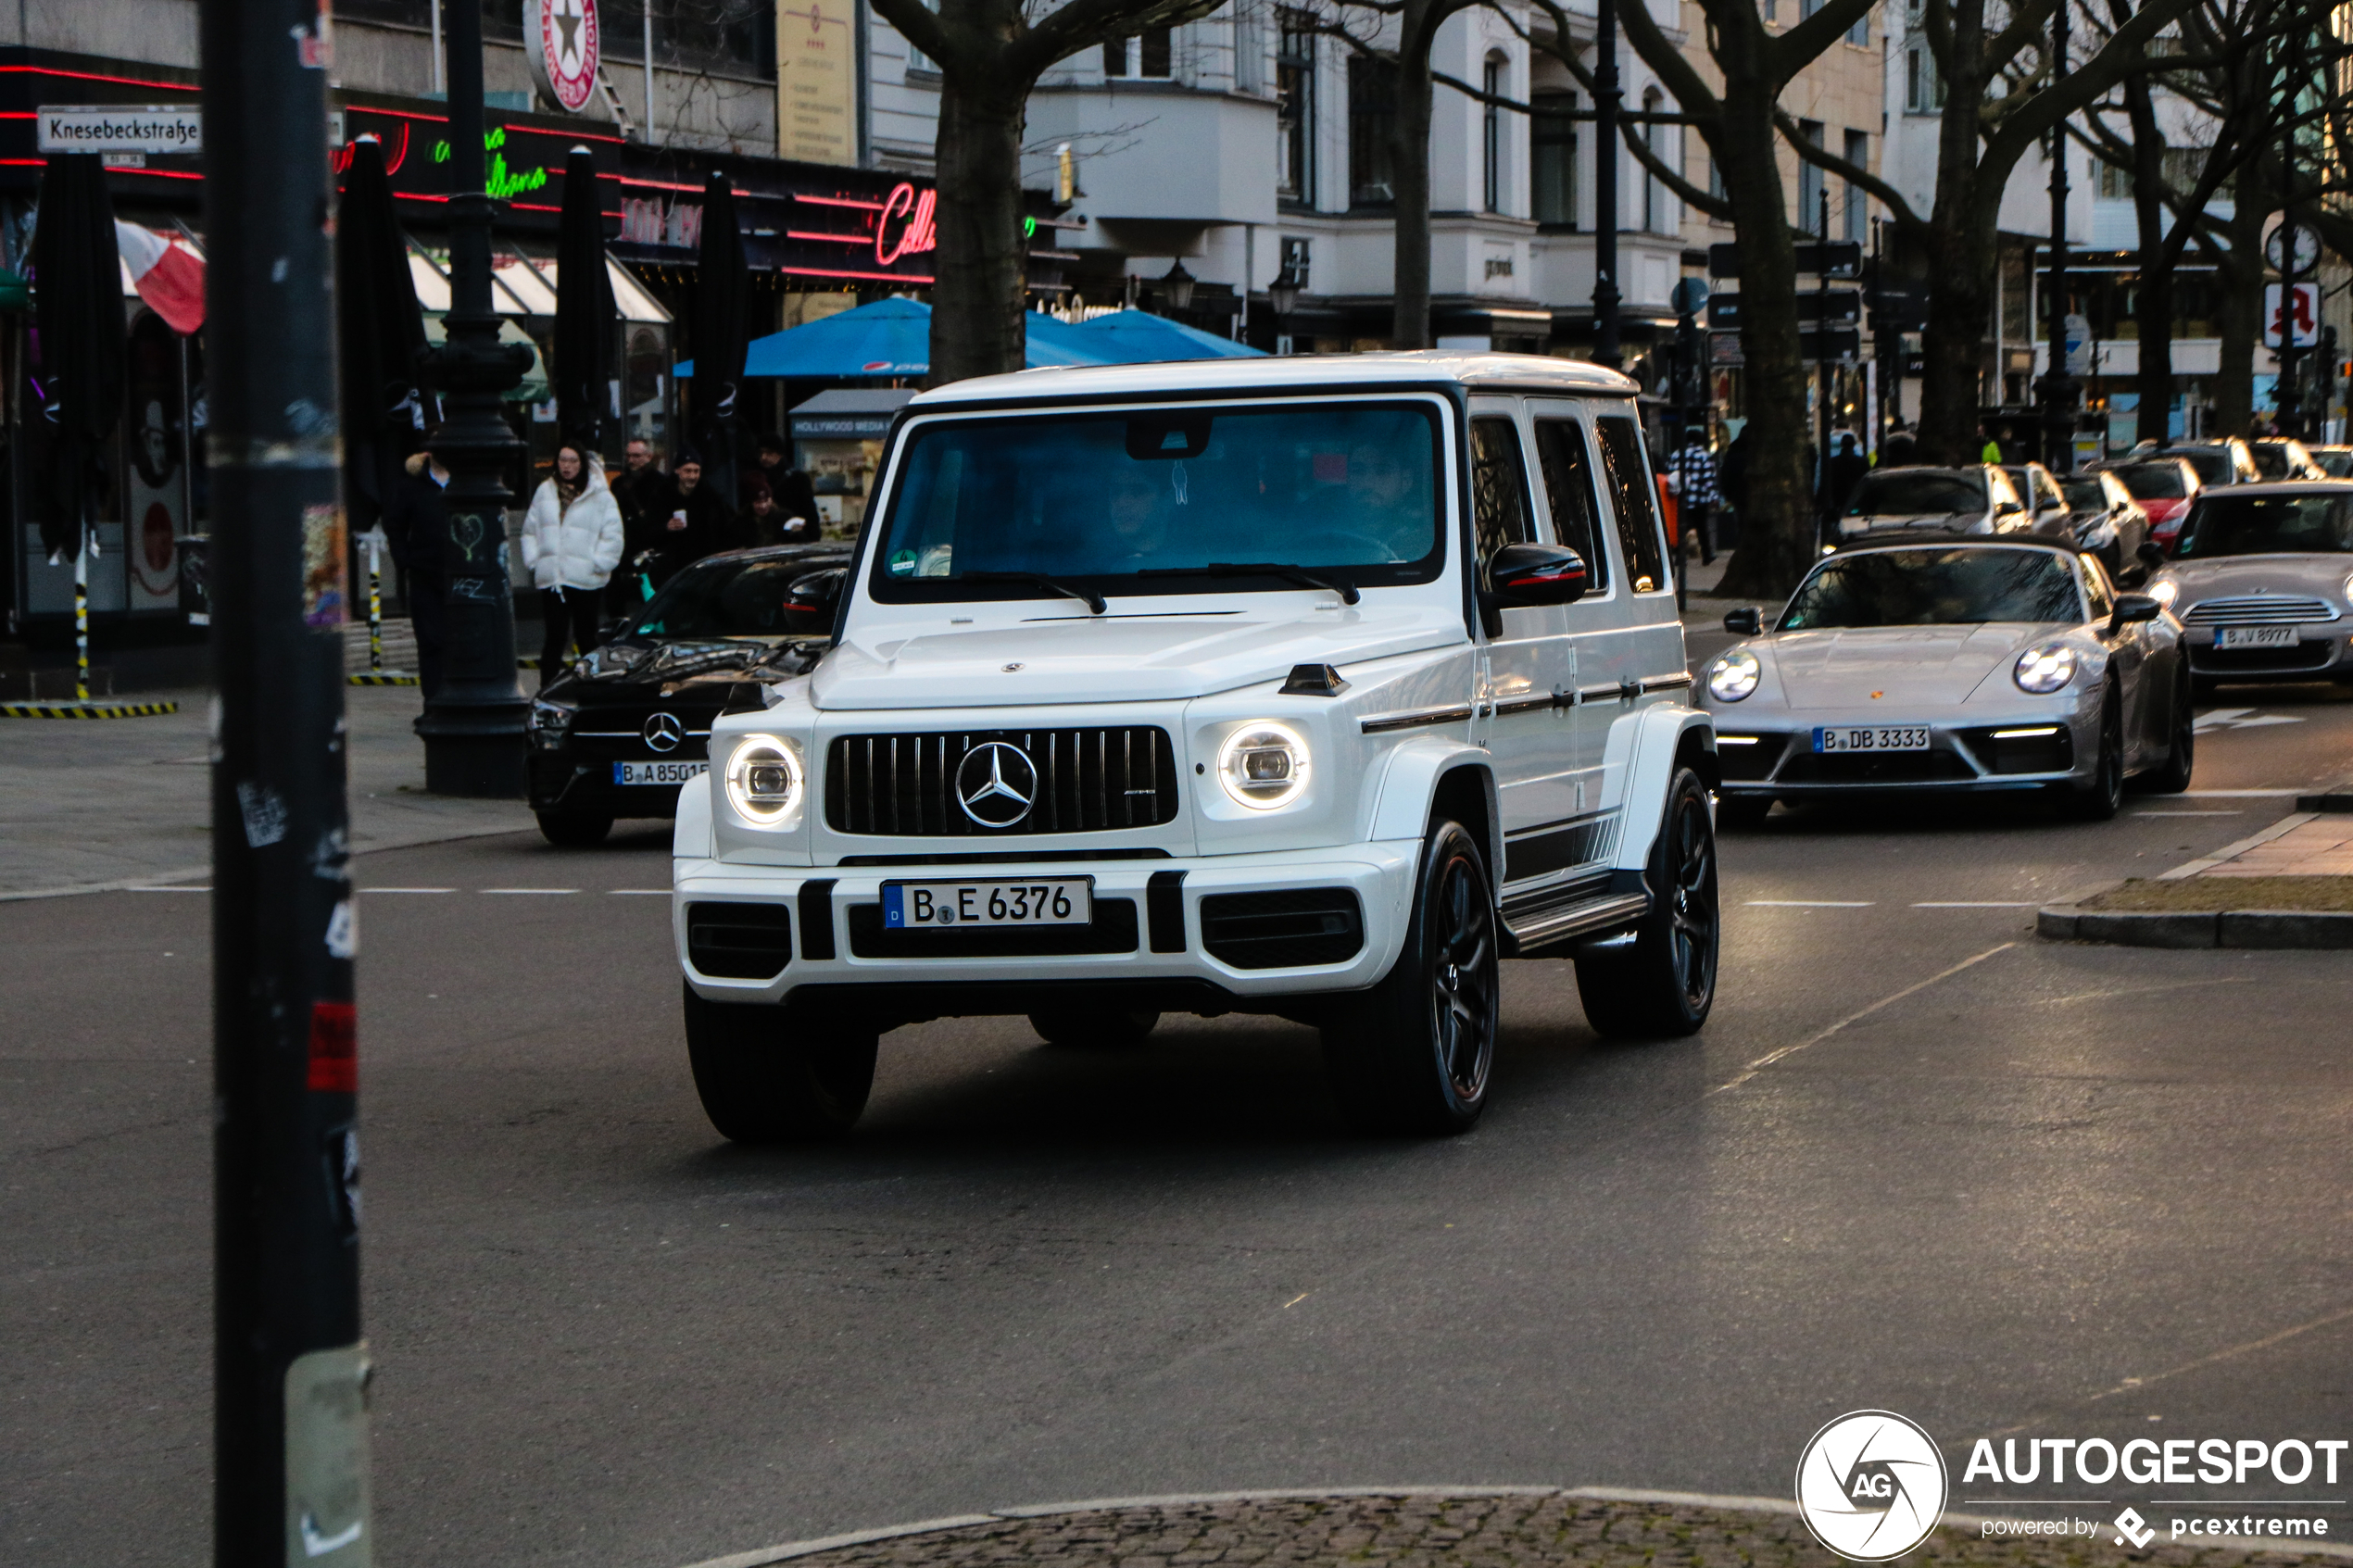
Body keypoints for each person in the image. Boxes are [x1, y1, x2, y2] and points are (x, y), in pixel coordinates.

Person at [521, 444, 624, 684]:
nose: (567, 466)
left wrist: (598, 564)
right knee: (554, 638)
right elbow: (529, 530)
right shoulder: (545, 490)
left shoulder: (599, 494)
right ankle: (547, 691)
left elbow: (613, 535)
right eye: (563, 460)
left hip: (586, 578)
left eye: (573, 461)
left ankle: (590, 688)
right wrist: (536, 560)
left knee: (586, 636)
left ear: (583, 464)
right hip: (553, 579)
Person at [382, 437, 451, 696]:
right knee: (431, 641)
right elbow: (395, 524)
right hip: (424, 573)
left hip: (460, 573)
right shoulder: (411, 486)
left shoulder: (464, 481)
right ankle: (433, 701)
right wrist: (405, 561)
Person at [649, 451, 741, 583]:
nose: (692, 476)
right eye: (688, 471)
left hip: (704, 568)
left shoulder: (709, 496)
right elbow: (648, 530)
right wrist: (665, 527)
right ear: (677, 471)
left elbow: (727, 527)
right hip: (671, 570)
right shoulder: (662, 496)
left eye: (696, 471)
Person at [610, 438, 673, 615]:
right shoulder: (618, 484)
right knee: (617, 605)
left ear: (649, 456)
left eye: (636, 456)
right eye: (628, 456)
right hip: (623, 551)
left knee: (650, 605)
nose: (631, 460)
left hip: (650, 552)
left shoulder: (662, 484)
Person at [1671, 430, 1718, 565]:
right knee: (1702, 527)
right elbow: (1709, 479)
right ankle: (1707, 555)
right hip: (1699, 499)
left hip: (1680, 498)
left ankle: (1680, 557)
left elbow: (1671, 475)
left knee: (1681, 527)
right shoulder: (1705, 456)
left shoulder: (1676, 454)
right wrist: (1713, 497)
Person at [1824, 428, 1869, 517]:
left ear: (1841, 444)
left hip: (1838, 500)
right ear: (1854, 445)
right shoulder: (1863, 461)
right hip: (1857, 499)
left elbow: (1827, 482)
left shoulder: (1833, 462)